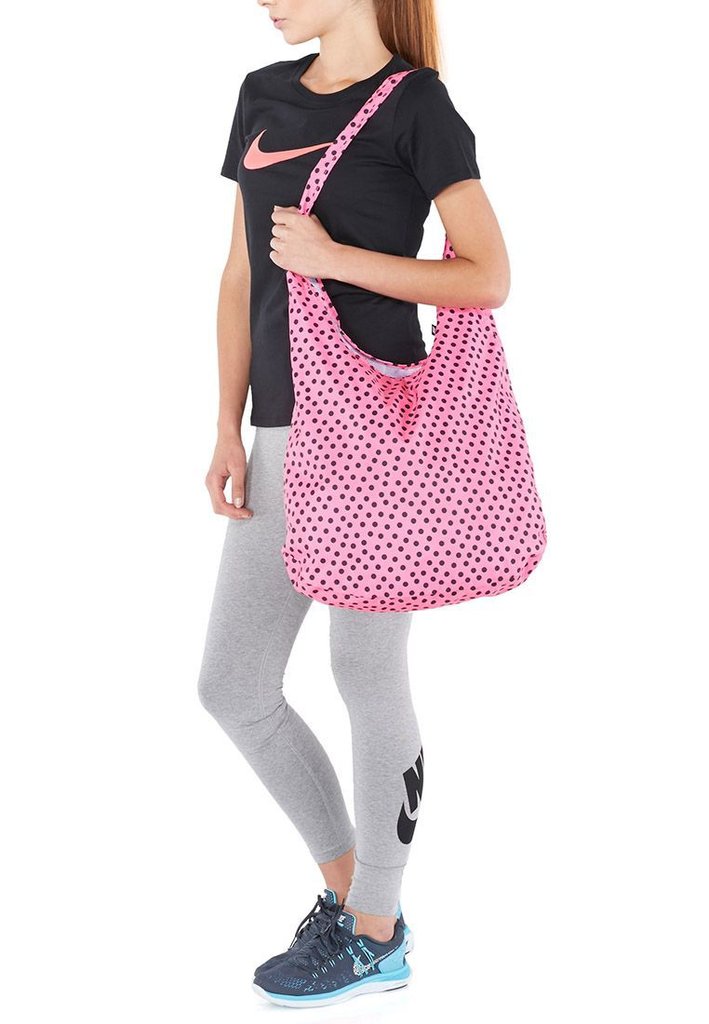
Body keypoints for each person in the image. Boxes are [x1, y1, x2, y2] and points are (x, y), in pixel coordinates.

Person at [196, 0, 510, 1008]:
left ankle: (375, 927)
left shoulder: (417, 106)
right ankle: (357, 897)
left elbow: (487, 276)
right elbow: (241, 270)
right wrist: (228, 424)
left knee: (364, 669)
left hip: (379, 427)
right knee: (233, 684)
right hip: (283, 431)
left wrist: (335, 261)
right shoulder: (262, 94)